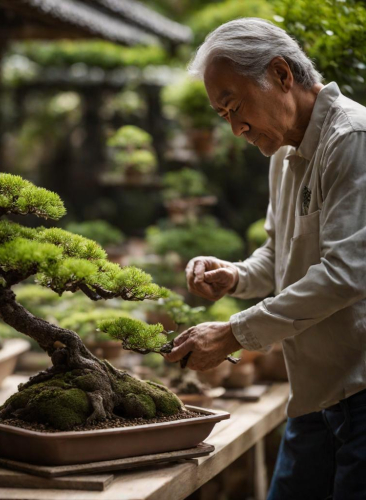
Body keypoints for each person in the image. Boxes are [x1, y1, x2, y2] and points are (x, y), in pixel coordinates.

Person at [163, 18, 366, 500]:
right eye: (222, 116)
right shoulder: (284, 155)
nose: (235, 129)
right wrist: (234, 276)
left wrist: (235, 332)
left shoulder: (352, 139)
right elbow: (280, 256)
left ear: (280, 74)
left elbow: (347, 274)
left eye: (235, 107)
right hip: (316, 393)